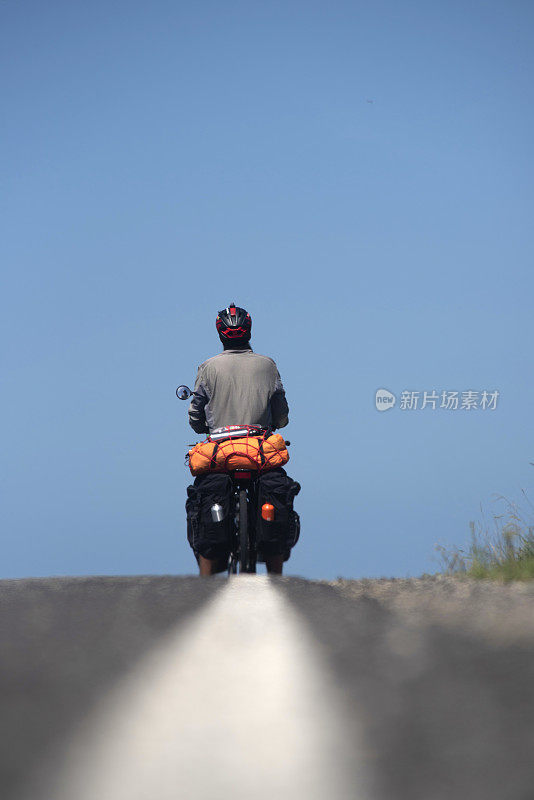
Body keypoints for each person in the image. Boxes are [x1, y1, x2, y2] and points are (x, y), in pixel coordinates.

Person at [187, 303, 293, 576]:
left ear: (220, 334)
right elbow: (281, 414)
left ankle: (205, 579)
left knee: (204, 499)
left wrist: (200, 426)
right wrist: (276, 422)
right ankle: (276, 576)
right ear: (249, 331)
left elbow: (196, 412)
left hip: (220, 453)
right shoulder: (268, 365)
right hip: (259, 450)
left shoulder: (208, 367)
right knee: (276, 493)